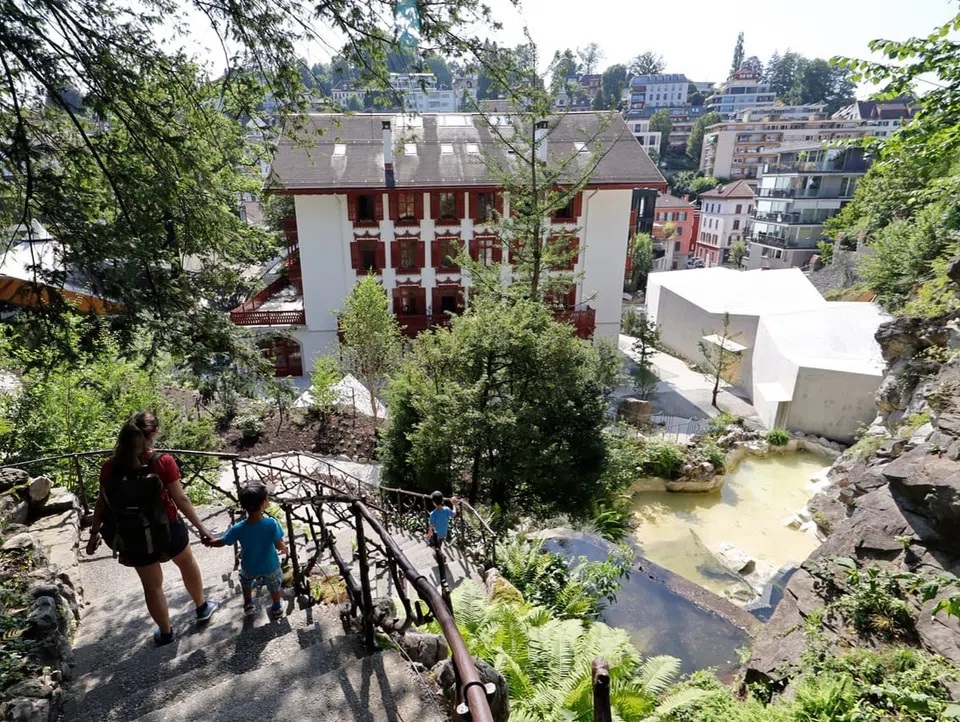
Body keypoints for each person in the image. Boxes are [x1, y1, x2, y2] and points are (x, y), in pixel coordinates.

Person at [86, 411, 219, 646]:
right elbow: (181, 499)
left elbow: (101, 502)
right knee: (187, 564)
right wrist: (201, 528)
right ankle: (202, 607)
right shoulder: (162, 462)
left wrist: (94, 533)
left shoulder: (109, 467)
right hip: (167, 527)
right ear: (154, 433)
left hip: (132, 535)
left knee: (151, 586)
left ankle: (166, 632)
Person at [203, 482, 287, 620]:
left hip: (249, 566)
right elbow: (279, 546)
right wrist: (284, 548)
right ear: (264, 502)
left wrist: (210, 542)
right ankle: (277, 607)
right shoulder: (271, 524)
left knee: (246, 583)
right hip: (270, 566)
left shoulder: (238, 528)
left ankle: (248, 604)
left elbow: (223, 541)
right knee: (274, 585)